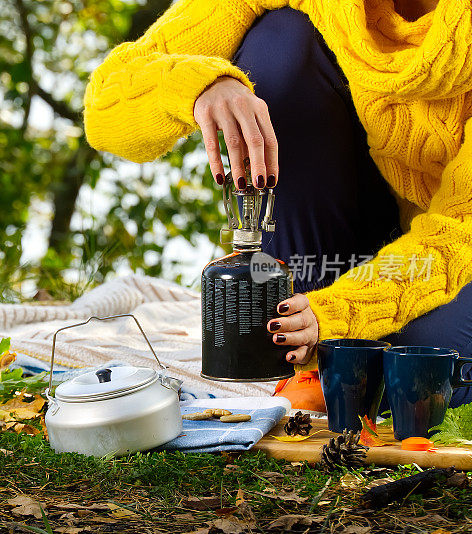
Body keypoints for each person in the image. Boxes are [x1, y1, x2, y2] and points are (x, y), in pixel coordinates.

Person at [83, 0, 472, 409]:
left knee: (422, 362)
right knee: (280, 41)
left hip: (445, 256)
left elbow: (460, 229)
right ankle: (296, 337)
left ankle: (328, 348)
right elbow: (104, 109)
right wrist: (201, 86)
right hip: (325, 250)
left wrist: (338, 313)